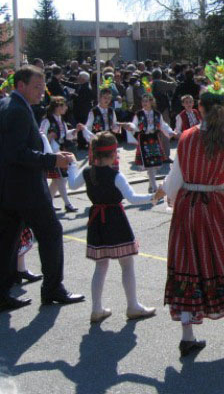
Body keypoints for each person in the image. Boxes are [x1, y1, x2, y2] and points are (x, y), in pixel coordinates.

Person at [158, 80, 224, 357]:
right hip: (214, 206)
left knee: (187, 263)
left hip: (187, 207)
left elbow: (176, 177)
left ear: (200, 109)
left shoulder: (186, 137)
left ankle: (187, 336)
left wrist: (167, 194)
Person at [0, 66, 84, 311]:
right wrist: (52, 160)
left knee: (7, 240)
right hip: (25, 188)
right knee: (51, 232)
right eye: (37, 87)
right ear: (21, 85)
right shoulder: (17, 110)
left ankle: (3, 293)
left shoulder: (7, 104)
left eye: (43, 86)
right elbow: (18, 153)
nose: (41, 91)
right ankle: (53, 289)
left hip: (10, 187)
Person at [67, 132, 158, 323]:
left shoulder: (88, 172)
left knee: (101, 265)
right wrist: (154, 197)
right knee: (127, 263)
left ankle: (96, 309)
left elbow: (73, 185)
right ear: (112, 154)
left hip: (97, 222)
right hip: (116, 221)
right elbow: (133, 198)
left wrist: (72, 164)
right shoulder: (116, 175)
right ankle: (132, 306)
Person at [40, 96, 84, 212]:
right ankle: (67, 204)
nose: (66, 108)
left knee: (57, 180)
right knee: (61, 179)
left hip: (60, 151)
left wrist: (75, 131)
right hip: (52, 153)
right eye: (64, 105)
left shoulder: (62, 121)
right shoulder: (47, 121)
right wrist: (49, 137)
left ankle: (47, 203)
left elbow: (65, 135)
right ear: (58, 107)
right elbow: (40, 136)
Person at [128, 93, 176, 193]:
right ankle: (154, 185)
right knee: (149, 163)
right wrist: (131, 127)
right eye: (143, 101)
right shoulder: (139, 114)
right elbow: (134, 124)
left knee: (156, 163)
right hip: (144, 139)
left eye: (146, 101)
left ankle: (151, 183)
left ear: (151, 102)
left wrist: (171, 132)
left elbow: (163, 125)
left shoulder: (157, 114)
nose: (144, 103)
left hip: (154, 138)